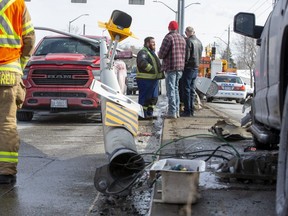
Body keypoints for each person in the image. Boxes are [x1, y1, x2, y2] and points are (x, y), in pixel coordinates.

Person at [0, 0, 35, 184]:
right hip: (8, 71)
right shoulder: (18, 4)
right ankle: (6, 171)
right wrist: (20, 65)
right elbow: (29, 39)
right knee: (6, 124)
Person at [158, 21, 186, 119]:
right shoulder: (182, 39)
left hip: (171, 67)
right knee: (176, 89)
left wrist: (159, 53)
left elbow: (161, 54)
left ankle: (172, 112)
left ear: (169, 28)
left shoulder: (168, 38)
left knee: (171, 91)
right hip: (180, 68)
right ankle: (176, 111)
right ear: (177, 28)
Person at [136, 37, 163, 119]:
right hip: (145, 79)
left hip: (153, 79)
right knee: (145, 98)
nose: (154, 44)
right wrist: (151, 69)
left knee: (153, 98)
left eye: (154, 42)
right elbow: (142, 62)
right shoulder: (143, 52)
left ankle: (149, 113)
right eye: (152, 42)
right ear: (147, 43)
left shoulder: (152, 53)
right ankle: (142, 115)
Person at [181, 26, 203, 117]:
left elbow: (187, 56)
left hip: (189, 67)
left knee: (186, 89)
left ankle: (187, 110)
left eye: (186, 33)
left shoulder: (188, 41)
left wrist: (183, 64)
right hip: (196, 67)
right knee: (192, 89)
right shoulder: (199, 42)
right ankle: (191, 110)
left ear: (187, 32)